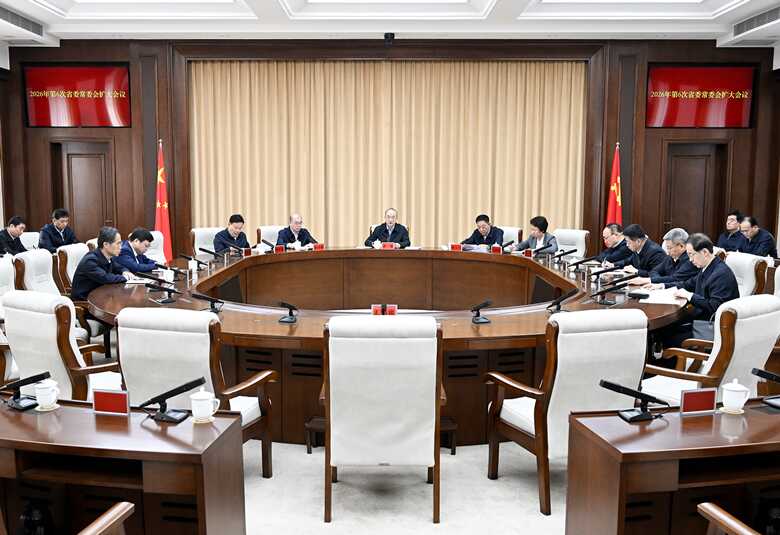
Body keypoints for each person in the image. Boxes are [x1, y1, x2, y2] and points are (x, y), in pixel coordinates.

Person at [71, 226, 130, 301]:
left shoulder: (107, 256)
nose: (120, 247)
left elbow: (119, 267)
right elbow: (106, 278)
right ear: (106, 244)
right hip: (85, 301)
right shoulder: (90, 260)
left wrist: (125, 271)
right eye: (118, 243)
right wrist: (126, 278)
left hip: (101, 296)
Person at [630, 228, 698, 287]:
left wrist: (650, 280)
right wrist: (658, 281)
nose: (667, 252)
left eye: (669, 248)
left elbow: (675, 279)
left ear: (681, 246)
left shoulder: (691, 260)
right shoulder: (670, 257)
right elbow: (654, 271)